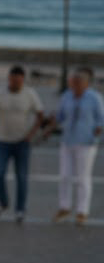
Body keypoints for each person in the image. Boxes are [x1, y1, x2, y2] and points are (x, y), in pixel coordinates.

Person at [0, 65, 44, 224]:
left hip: (22, 142)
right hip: (2, 141)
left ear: (23, 80)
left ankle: (20, 209)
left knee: (22, 177)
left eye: (18, 81)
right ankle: (3, 202)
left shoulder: (30, 94)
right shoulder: (0, 93)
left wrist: (32, 134)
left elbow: (40, 115)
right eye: (13, 81)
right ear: (8, 79)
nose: (15, 84)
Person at [51, 67, 104, 226]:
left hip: (86, 142)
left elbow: (101, 118)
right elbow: (60, 115)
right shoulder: (67, 96)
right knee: (64, 175)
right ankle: (64, 206)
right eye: (73, 82)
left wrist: (98, 130)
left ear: (85, 84)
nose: (74, 85)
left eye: (78, 83)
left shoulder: (94, 98)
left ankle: (82, 210)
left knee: (82, 177)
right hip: (68, 140)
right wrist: (51, 122)